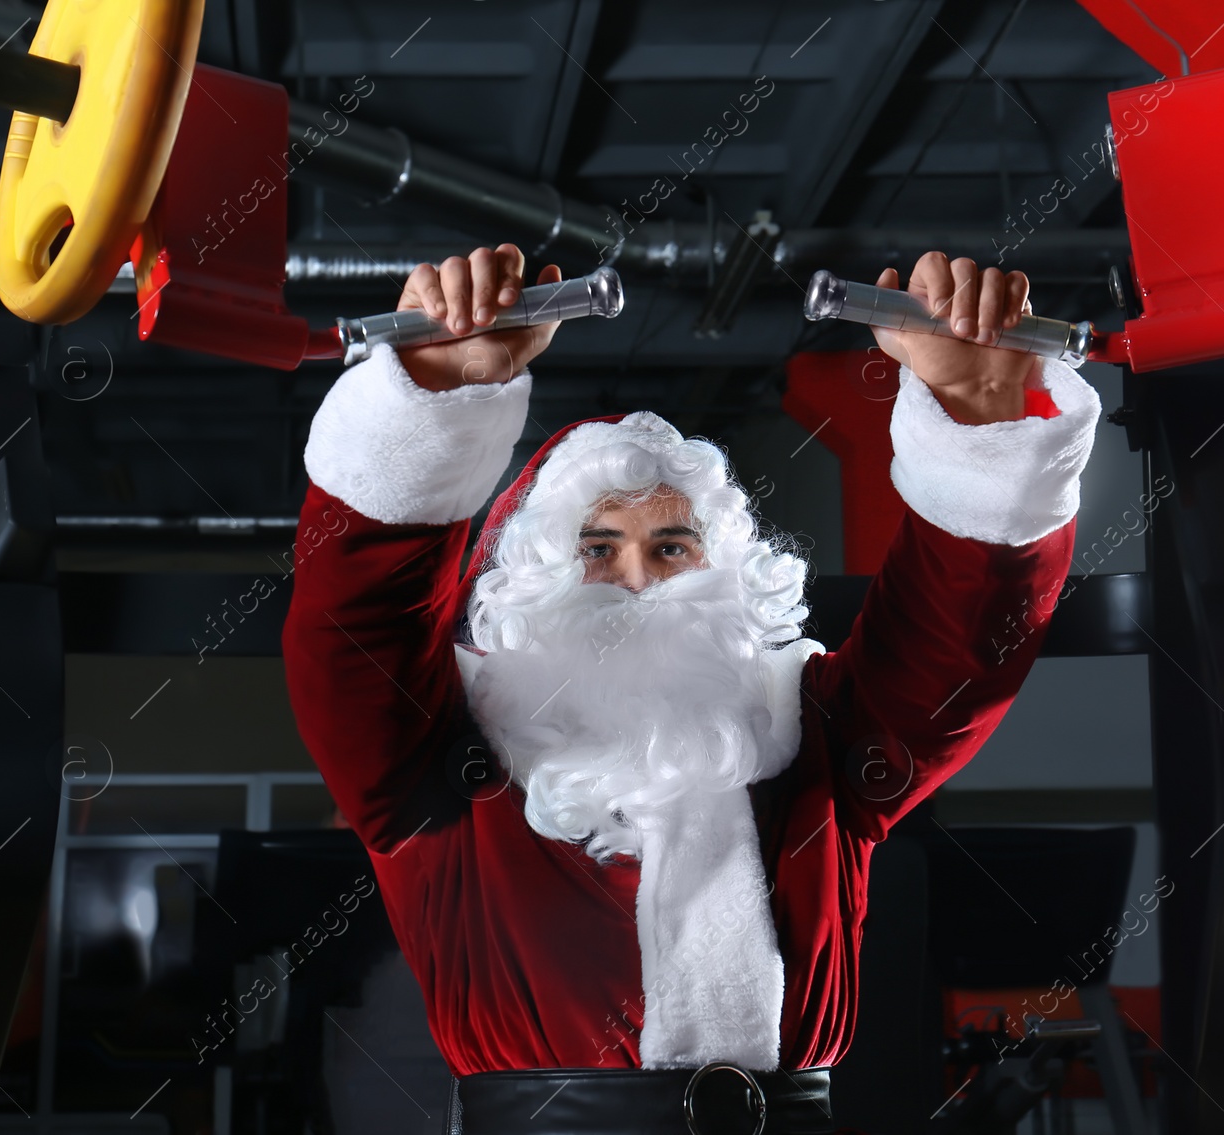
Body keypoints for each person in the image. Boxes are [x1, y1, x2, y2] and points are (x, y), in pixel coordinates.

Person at [282, 244, 1100, 1134]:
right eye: (597, 549)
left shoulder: (816, 731)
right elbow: (351, 622)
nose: (639, 579)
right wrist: (436, 398)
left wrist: (977, 420)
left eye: (673, 546)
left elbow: (963, 640)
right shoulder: (436, 758)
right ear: (536, 579)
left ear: (724, 571)